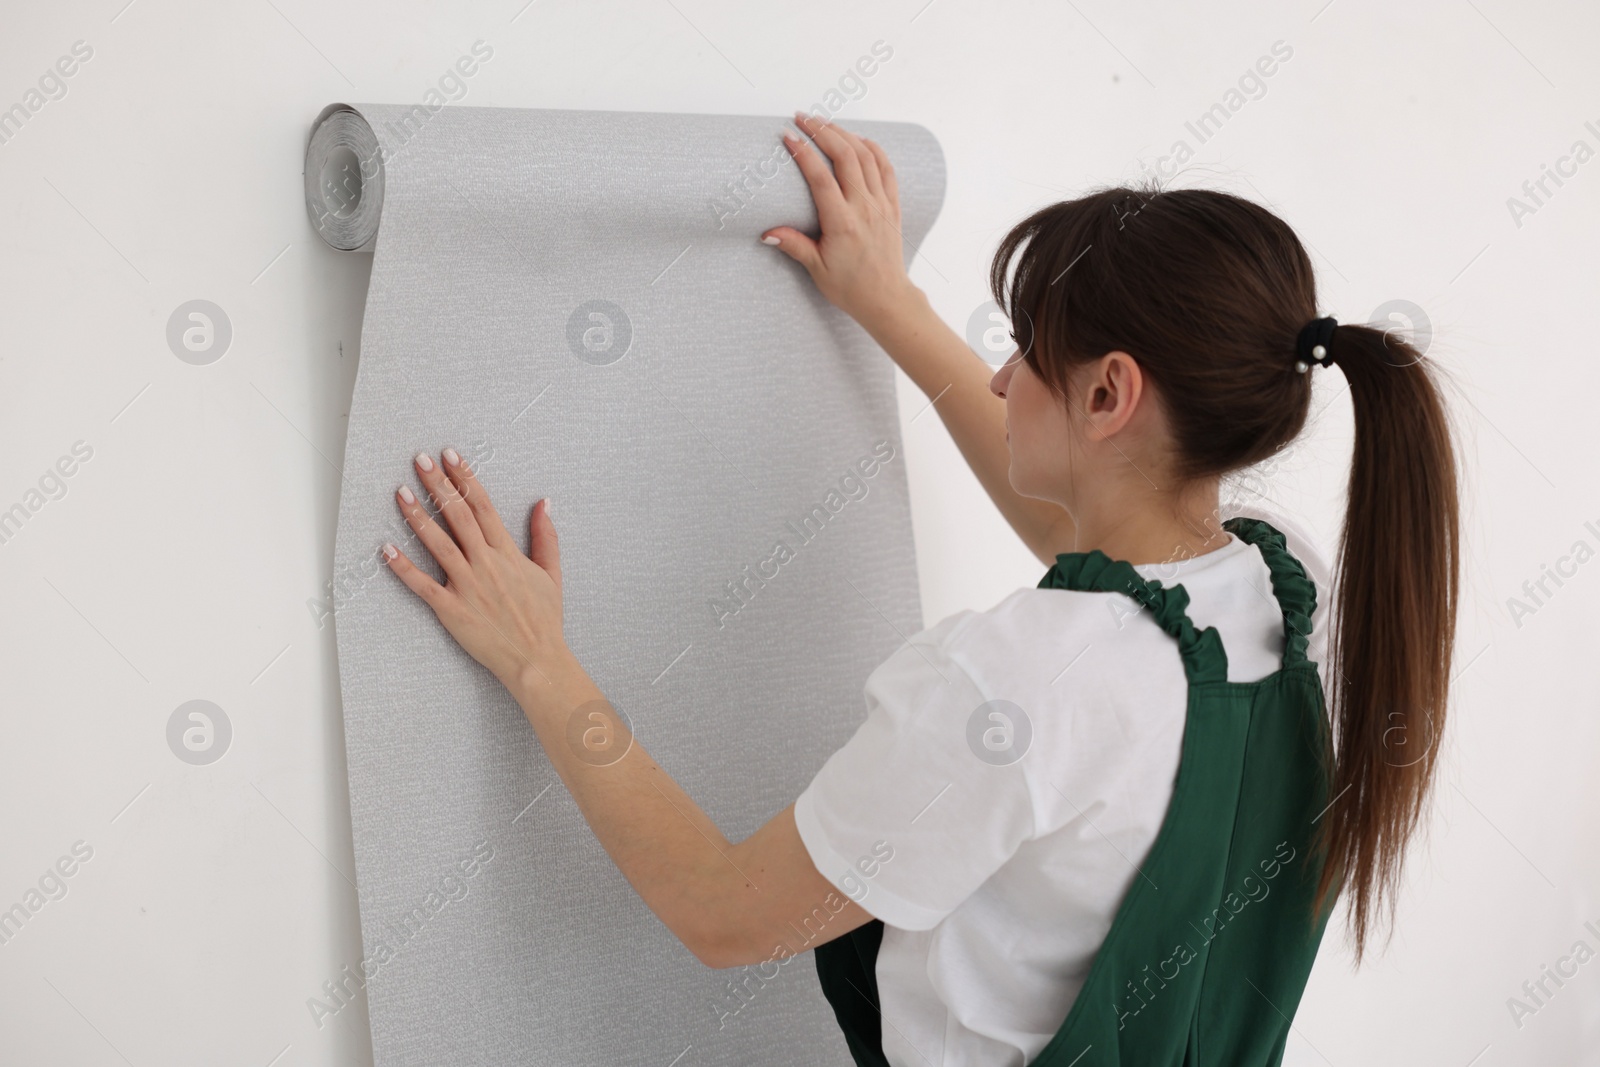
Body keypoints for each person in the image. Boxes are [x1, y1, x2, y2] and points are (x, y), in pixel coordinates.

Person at [380, 111, 1460, 1066]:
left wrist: (537, 654)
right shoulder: (1283, 587)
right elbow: (1089, 530)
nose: (999, 376)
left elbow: (717, 910)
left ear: (1108, 392)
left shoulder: (1013, 681)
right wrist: (887, 304)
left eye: (1024, 351)